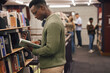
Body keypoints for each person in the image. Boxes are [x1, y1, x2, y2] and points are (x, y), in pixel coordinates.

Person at [29, 0, 66, 73]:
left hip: (52, 67)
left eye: (35, 13)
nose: (35, 16)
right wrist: (40, 42)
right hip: (52, 65)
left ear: (42, 7)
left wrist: (34, 51)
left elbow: (50, 49)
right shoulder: (51, 20)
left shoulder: (52, 23)